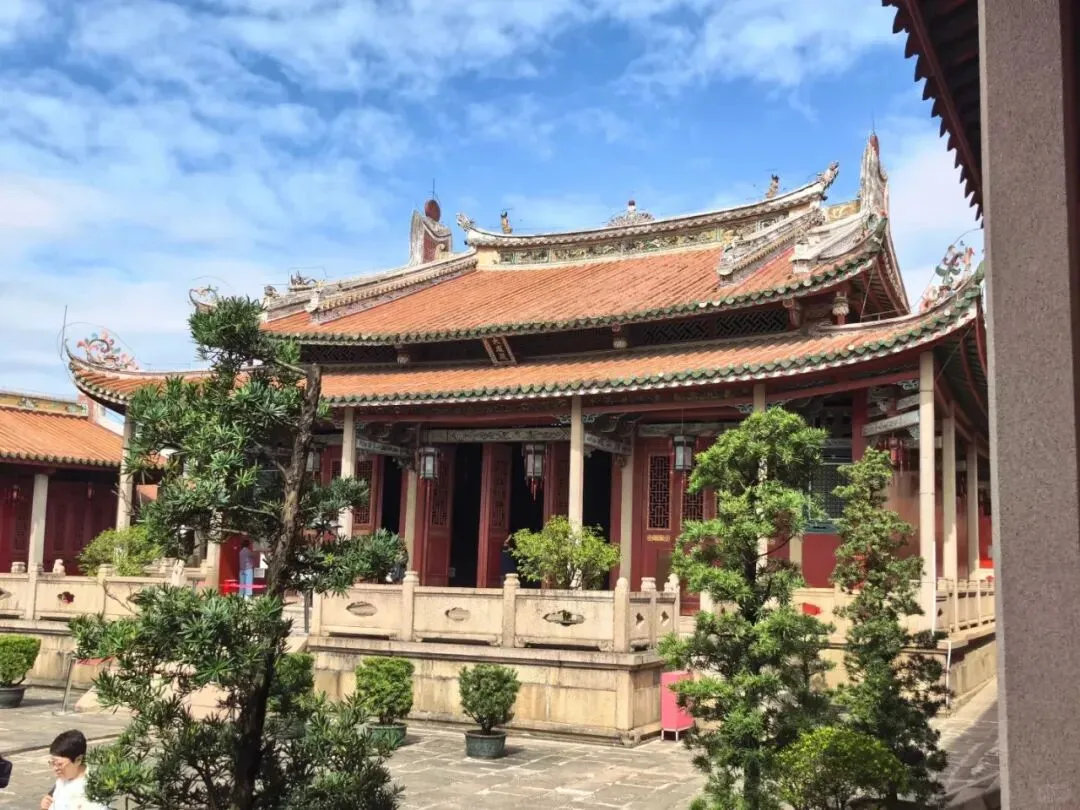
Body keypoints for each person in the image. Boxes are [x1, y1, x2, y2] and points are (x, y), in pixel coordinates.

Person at [40, 730, 106, 809]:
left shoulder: (93, 788)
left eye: (60, 764)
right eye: (53, 763)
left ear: (78, 760)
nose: (55, 768)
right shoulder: (62, 780)